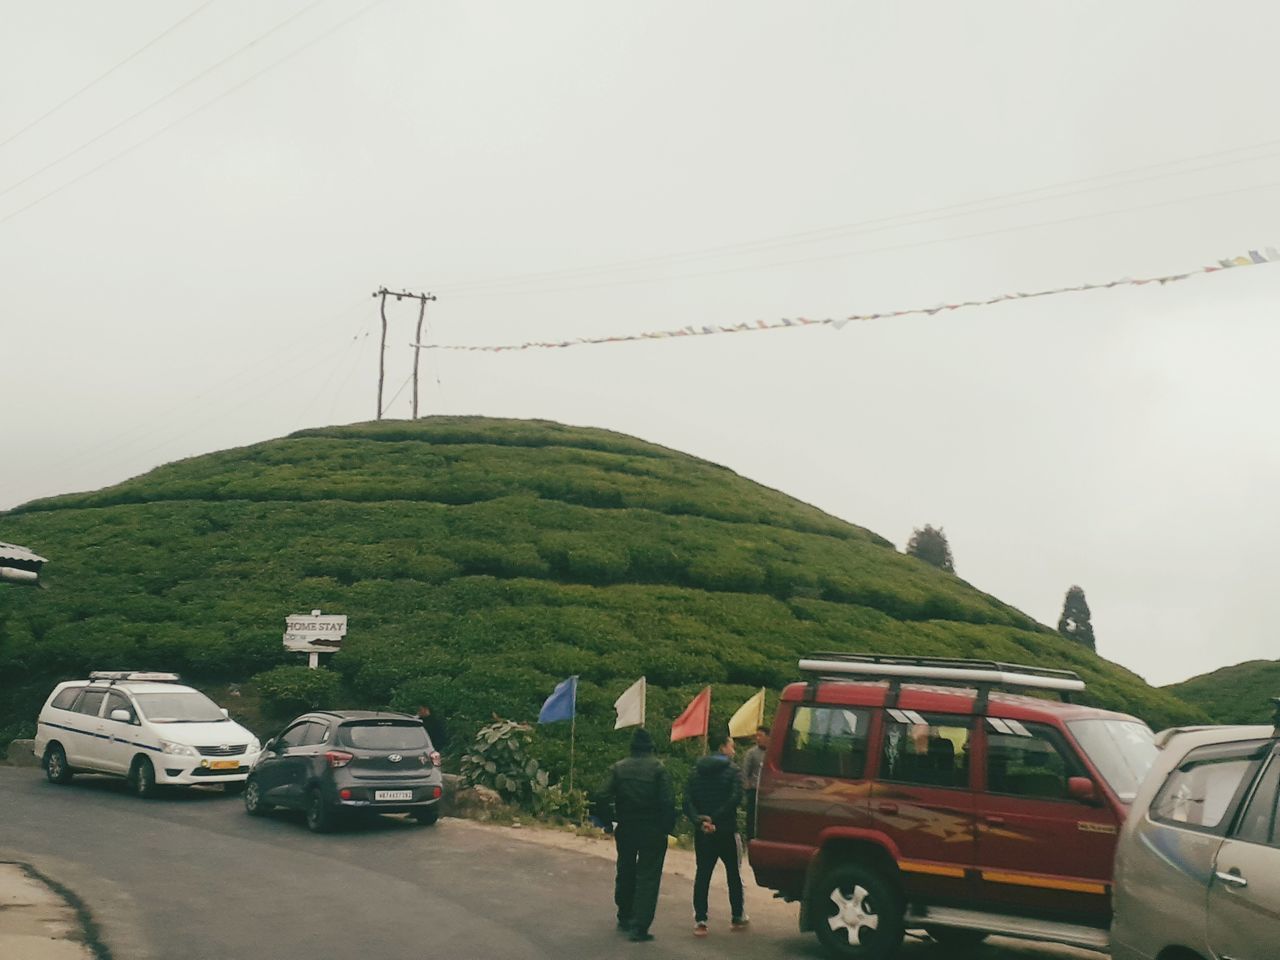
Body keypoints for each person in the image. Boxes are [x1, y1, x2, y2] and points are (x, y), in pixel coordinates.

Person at [592, 728, 676, 943]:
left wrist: (608, 821)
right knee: (648, 876)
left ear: (631, 748)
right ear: (651, 748)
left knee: (626, 868)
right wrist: (666, 828)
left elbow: (600, 795)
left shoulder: (619, 768)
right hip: (652, 829)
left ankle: (624, 914)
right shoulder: (658, 769)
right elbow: (667, 802)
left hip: (627, 826)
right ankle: (640, 926)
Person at [684, 730, 747, 937]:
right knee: (733, 874)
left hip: (703, 832)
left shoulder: (695, 771)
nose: (733, 749)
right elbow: (736, 797)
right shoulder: (734, 771)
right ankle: (737, 916)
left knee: (702, 874)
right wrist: (716, 820)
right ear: (722, 747)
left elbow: (687, 802)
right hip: (727, 830)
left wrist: (700, 820)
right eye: (731, 745)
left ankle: (700, 920)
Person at [740, 725, 769, 841]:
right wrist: (747, 787)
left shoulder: (772, 752)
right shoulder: (751, 753)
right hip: (754, 791)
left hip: (767, 791)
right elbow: (745, 773)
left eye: (760, 736)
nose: (758, 738)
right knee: (751, 819)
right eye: (756, 736)